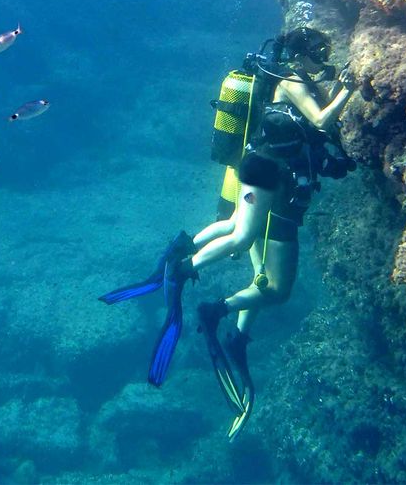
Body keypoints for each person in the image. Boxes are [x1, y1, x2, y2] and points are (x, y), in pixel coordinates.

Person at [99, 27, 357, 436]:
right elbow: (322, 121)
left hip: (258, 168)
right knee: (245, 243)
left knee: (238, 228)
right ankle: (188, 273)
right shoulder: (292, 82)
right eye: (318, 53)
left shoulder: (283, 77)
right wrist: (349, 88)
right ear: (300, 56)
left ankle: (183, 257)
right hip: (267, 173)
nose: (323, 59)